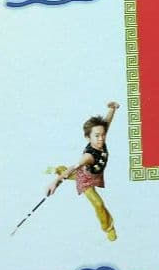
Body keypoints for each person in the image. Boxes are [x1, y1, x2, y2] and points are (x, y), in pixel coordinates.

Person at [47, 101, 119, 240]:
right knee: (98, 204)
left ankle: (58, 169)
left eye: (103, 135)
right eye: (97, 136)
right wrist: (55, 182)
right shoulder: (88, 157)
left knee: (74, 174)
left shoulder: (100, 138)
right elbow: (74, 167)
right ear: (88, 137)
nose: (101, 138)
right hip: (86, 180)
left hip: (94, 174)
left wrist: (112, 109)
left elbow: (107, 123)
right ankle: (108, 227)